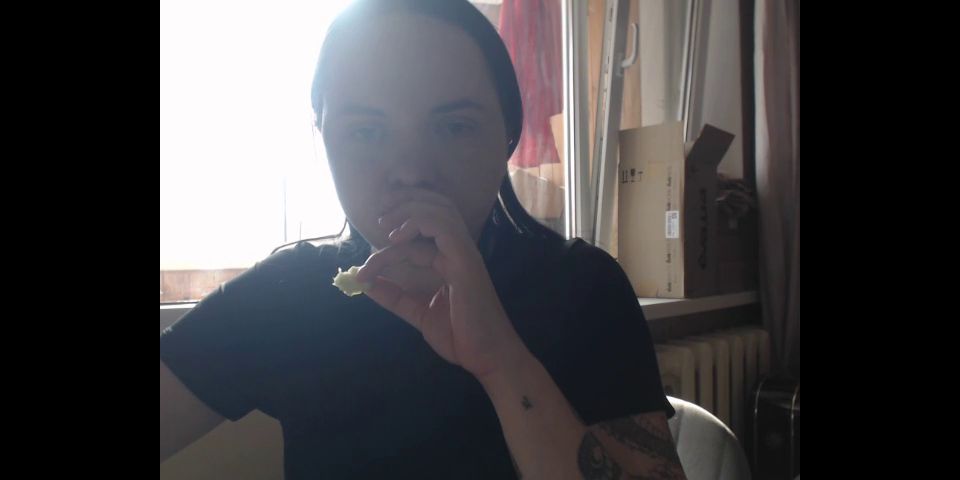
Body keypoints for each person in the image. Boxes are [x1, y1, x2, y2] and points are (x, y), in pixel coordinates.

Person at [159, 1, 684, 478]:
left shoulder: (584, 289)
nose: (411, 172)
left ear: (507, 136)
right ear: (324, 138)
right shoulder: (286, 296)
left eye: (454, 127)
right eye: (365, 132)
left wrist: (501, 359)